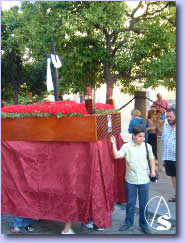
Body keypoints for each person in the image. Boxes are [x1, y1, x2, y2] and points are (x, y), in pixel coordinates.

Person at [110, 125, 156, 234]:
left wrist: (153, 170)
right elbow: (117, 156)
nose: (142, 139)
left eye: (143, 136)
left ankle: (144, 225)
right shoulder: (127, 147)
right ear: (133, 136)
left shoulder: (147, 146)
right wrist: (113, 144)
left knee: (144, 204)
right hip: (130, 180)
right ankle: (128, 223)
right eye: (140, 136)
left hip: (144, 180)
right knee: (130, 203)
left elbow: (152, 158)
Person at [162, 107, 176, 202]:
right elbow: (164, 141)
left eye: (170, 116)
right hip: (168, 156)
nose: (169, 118)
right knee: (173, 176)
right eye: (167, 117)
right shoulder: (166, 126)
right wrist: (163, 158)